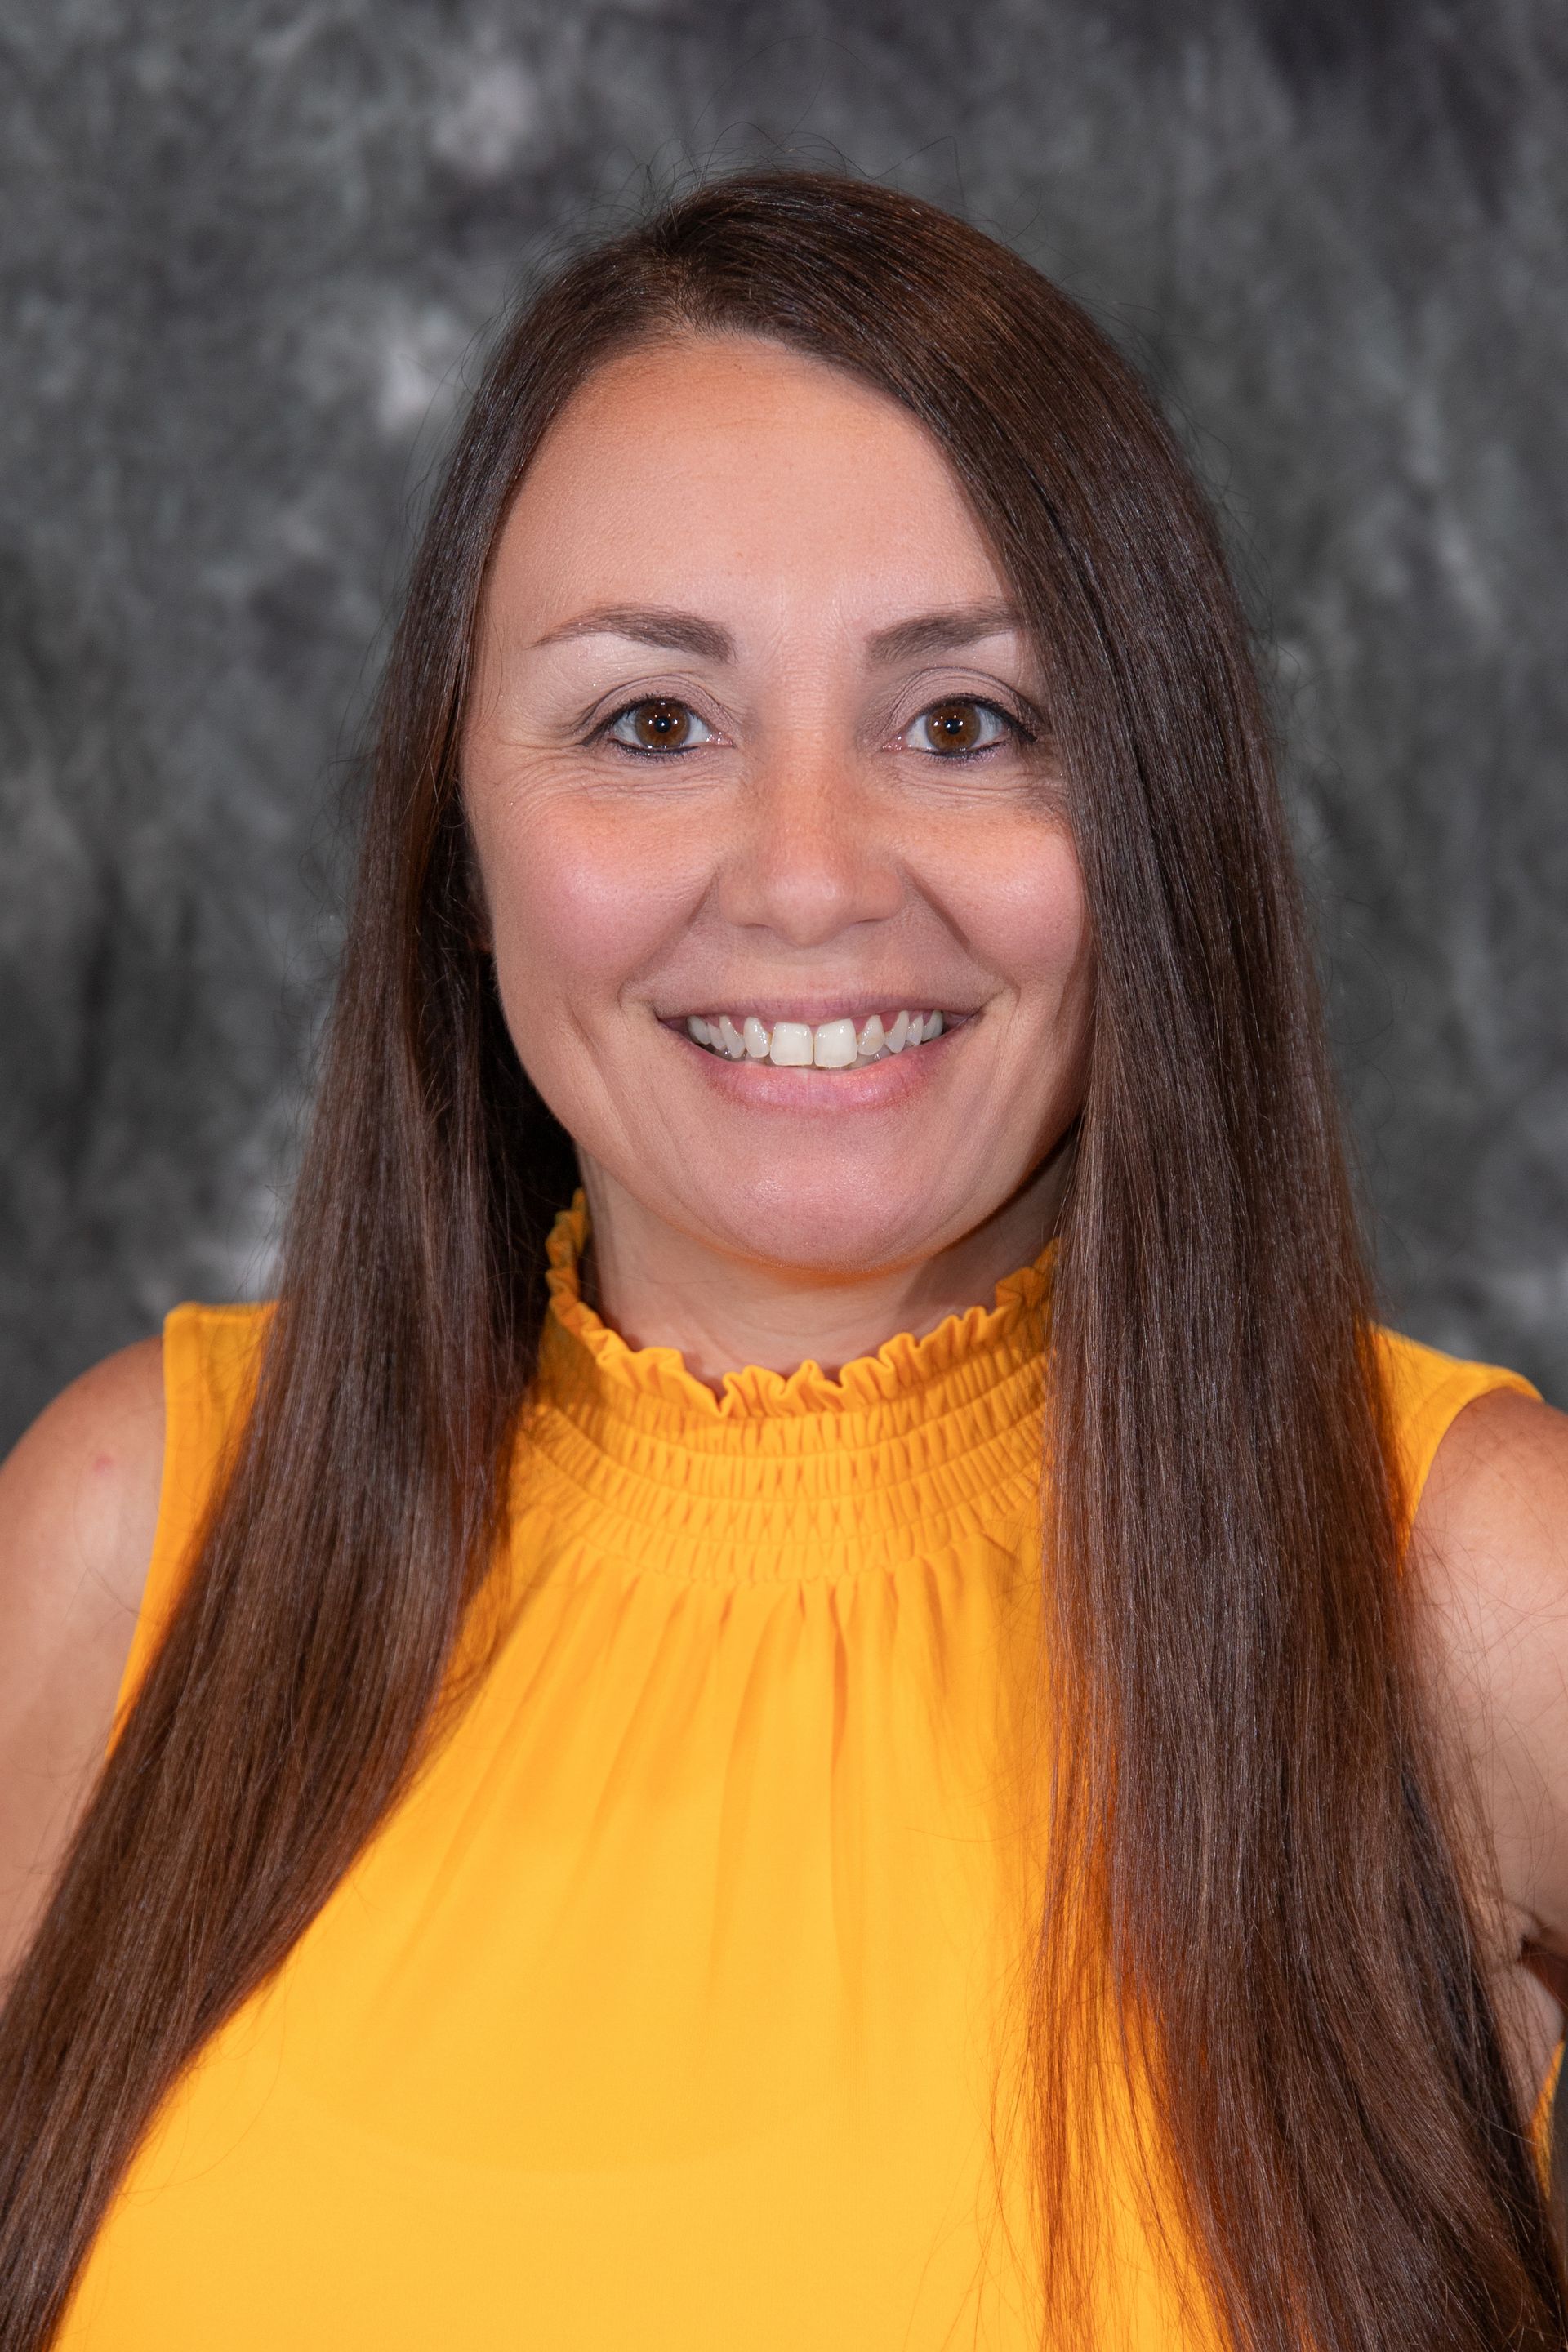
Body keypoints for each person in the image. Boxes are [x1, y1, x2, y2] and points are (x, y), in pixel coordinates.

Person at [0, 169, 1565, 2352]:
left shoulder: (1466, 1584)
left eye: (967, 723)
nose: (811, 880)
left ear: (1154, 813)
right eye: (653, 724)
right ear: (458, 835)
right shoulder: (135, 1537)